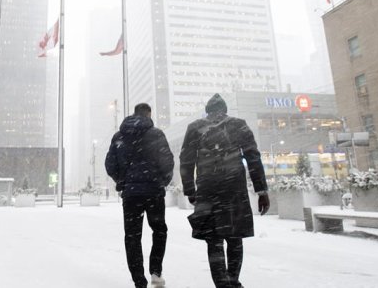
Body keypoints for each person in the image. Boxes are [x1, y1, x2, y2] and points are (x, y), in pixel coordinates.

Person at [179, 94, 269, 288]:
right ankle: (233, 281)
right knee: (235, 237)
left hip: (207, 189)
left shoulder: (195, 127)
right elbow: (253, 158)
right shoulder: (239, 125)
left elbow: (186, 160)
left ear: (208, 110)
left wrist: (190, 189)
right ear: (225, 109)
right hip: (234, 189)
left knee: (214, 240)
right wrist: (262, 191)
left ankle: (222, 283)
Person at [105, 103, 174, 288]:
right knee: (159, 230)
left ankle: (139, 281)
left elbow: (110, 164)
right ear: (149, 114)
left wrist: (122, 181)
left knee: (132, 236)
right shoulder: (156, 134)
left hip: (131, 195)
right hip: (154, 193)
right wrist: (162, 182)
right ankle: (156, 272)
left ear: (134, 114)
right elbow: (168, 162)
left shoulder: (119, 136)